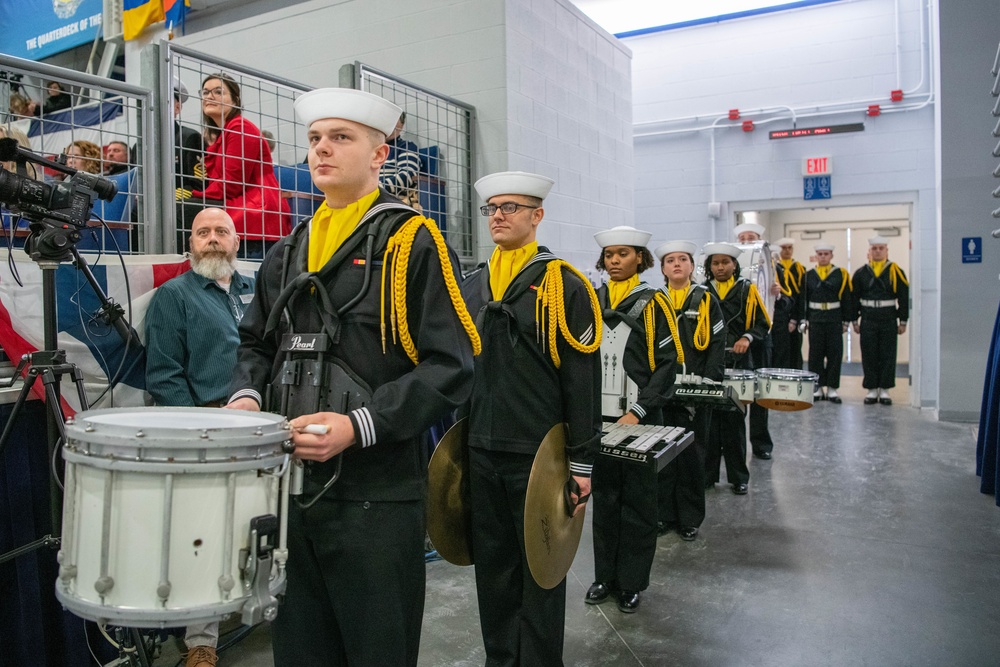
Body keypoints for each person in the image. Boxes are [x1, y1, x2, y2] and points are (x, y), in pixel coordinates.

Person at [225, 87, 478, 666]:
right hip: (293, 492)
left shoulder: (412, 242)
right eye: (315, 139)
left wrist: (360, 424)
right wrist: (244, 395)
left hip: (377, 496)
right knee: (301, 650)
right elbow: (254, 342)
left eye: (341, 138)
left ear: (379, 154)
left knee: (376, 651)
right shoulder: (287, 252)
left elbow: (452, 365)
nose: (322, 150)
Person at [460, 170, 601, 664]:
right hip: (481, 448)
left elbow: (582, 381)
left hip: (540, 452)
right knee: (493, 568)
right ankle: (500, 658)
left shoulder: (563, 283)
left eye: (510, 208)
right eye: (491, 209)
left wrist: (582, 462)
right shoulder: (472, 283)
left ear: (537, 215)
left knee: (542, 569)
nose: (497, 216)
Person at [144, 207, 253, 667]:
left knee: (265, 524)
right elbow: (164, 375)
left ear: (236, 242)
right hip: (207, 427)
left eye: (221, 231)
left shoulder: (258, 292)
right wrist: (202, 430)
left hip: (268, 423)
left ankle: (268, 606)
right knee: (205, 534)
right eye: (202, 232)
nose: (212, 238)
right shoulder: (174, 296)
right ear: (190, 244)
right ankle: (200, 640)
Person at [586, 225, 679, 614]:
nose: (614, 261)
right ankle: (604, 577)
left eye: (622, 254)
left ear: (641, 257)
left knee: (639, 503)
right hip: (600, 419)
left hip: (640, 417)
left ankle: (631, 583)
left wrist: (637, 411)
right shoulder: (591, 298)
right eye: (609, 255)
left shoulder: (655, 301)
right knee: (605, 500)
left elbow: (667, 365)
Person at [655, 240, 724, 542]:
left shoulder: (706, 299)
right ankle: (664, 515)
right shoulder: (655, 301)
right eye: (670, 260)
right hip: (663, 390)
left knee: (693, 455)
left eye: (683, 259)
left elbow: (717, 345)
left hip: (696, 390)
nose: (677, 264)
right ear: (663, 269)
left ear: (693, 266)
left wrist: (708, 386)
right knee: (663, 454)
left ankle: (690, 518)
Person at [178, 73, 289, 258]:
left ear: (235, 100)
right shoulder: (228, 131)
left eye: (218, 92)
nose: (209, 96)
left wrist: (195, 195)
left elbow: (231, 184)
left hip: (254, 218)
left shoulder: (240, 128)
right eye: (205, 92)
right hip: (247, 216)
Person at [701, 242, 770, 495]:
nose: (720, 267)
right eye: (715, 263)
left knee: (734, 423)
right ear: (709, 267)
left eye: (725, 262)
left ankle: (738, 477)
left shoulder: (747, 290)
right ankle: (707, 476)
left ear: (735, 265)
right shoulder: (702, 292)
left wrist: (747, 338)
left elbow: (763, 323)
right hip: (708, 366)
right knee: (708, 423)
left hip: (739, 365)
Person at [732, 221, 777, 459]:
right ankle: (731, 447)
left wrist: (777, 294)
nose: (747, 241)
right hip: (737, 340)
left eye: (752, 237)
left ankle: (761, 445)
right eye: (743, 238)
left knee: (760, 393)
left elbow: (778, 308)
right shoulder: (727, 266)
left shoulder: (769, 267)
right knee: (735, 395)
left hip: (760, 338)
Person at [851, 235, 909, 405]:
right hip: (868, 318)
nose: (877, 251)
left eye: (880, 248)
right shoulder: (861, 273)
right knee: (869, 354)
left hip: (888, 318)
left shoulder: (895, 271)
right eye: (874, 249)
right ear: (869, 251)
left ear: (886, 251)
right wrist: (854, 320)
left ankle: (885, 389)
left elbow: (903, 297)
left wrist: (903, 321)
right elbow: (854, 298)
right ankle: (871, 389)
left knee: (887, 354)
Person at [802, 242, 853, 403]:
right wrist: (804, 319)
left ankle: (832, 388)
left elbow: (846, 298)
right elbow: (803, 299)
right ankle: (817, 388)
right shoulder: (808, 275)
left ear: (831, 256)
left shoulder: (841, 274)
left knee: (834, 353)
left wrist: (846, 321)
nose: (823, 256)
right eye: (820, 254)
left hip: (834, 318)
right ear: (816, 256)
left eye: (826, 254)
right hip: (816, 318)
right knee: (815, 354)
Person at [772, 237, 806, 370]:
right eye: (783, 248)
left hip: (794, 314)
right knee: (780, 350)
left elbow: (801, 296)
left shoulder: (799, 269)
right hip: (780, 314)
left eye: (789, 248)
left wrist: (796, 318)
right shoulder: (775, 268)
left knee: (796, 349)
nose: (787, 251)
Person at [379, 111, 422, 212]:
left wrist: (377, 189)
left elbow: (408, 175)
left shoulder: (406, 147)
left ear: (401, 126)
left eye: (393, 120)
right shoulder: (368, 148)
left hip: (389, 200)